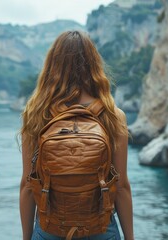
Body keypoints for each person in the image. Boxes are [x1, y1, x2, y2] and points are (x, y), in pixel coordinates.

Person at [19, 30, 134, 240]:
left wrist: (27, 237)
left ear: (52, 65)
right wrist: (130, 237)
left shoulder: (36, 113)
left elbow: (28, 185)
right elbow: (122, 185)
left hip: (49, 230)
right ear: (93, 64)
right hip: (100, 229)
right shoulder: (113, 115)